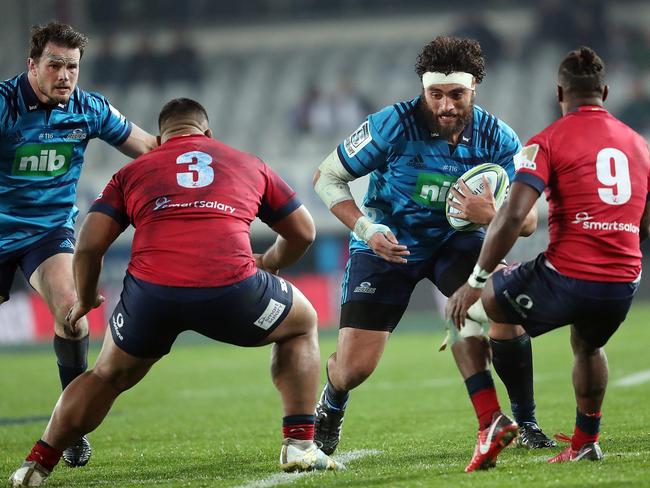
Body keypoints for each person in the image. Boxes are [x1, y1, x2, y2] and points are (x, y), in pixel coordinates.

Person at [8, 98, 343, 488]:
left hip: (152, 297)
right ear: (208, 133)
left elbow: (87, 245)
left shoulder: (131, 172)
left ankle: (36, 465)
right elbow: (303, 232)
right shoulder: (247, 162)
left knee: (105, 375)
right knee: (301, 323)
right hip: (232, 290)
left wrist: (85, 298)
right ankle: (299, 445)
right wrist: (269, 261)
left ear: (160, 138)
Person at [312, 36, 551, 472]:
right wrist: (367, 228)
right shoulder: (391, 124)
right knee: (354, 368)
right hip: (387, 246)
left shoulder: (499, 137)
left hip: (453, 245)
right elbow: (327, 177)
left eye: (456, 94)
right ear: (423, 90)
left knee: (503, 308)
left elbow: (530, 219)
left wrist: (490, 212)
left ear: (475, 87)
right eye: (435, 94)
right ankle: (332, 399)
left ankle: (526, 422)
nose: (444, 106)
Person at [446, 46, 650, 464]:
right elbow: (645, 226)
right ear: (605, 92)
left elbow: (512, 216)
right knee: (588, 346)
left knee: (465, 313)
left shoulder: (546, 142)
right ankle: (585, 442)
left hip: (565, 276)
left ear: (559, 92)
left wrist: (475, 282)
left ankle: (492, 423)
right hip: (623, 282)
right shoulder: (640, 146)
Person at [0, 21, 157, 468]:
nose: (65, 75)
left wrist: (197, 156)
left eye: (72, 66)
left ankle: (70, 426)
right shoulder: (4, 105)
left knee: (74, 312)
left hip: (46, 234)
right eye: (55, 65)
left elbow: (147, 145)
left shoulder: (88, 109)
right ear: (32, 66)